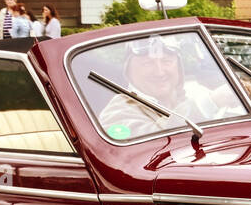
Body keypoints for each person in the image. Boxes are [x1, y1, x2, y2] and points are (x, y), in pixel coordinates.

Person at [99, 34, 237, 138]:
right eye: (147, 64)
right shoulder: (117, 111)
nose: (159, 72)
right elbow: (154, 142)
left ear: (178, 68)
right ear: (129, 71)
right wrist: (209, 103)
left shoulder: (195, 92)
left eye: (166, 61)